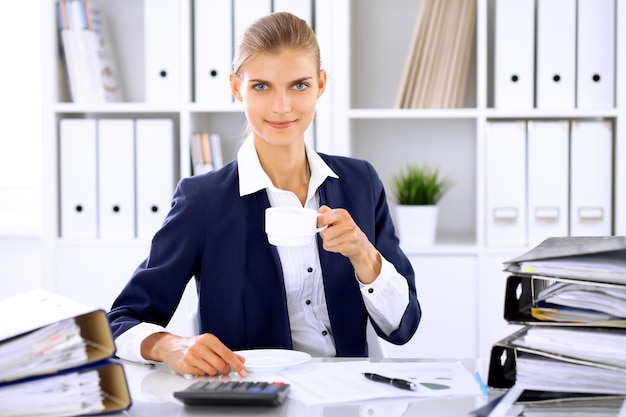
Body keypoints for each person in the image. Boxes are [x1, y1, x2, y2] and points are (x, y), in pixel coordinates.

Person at [107, 11, 421, 378]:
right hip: (254, 400)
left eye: (299, 85)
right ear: (236, 87)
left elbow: (405, 325)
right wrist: (170, 345)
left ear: (321, 85)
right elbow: (121, 320)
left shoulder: (360, 182)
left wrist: (365, 255)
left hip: (347, 397)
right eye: (261, 86)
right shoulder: (203, 201)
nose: (281, 106)